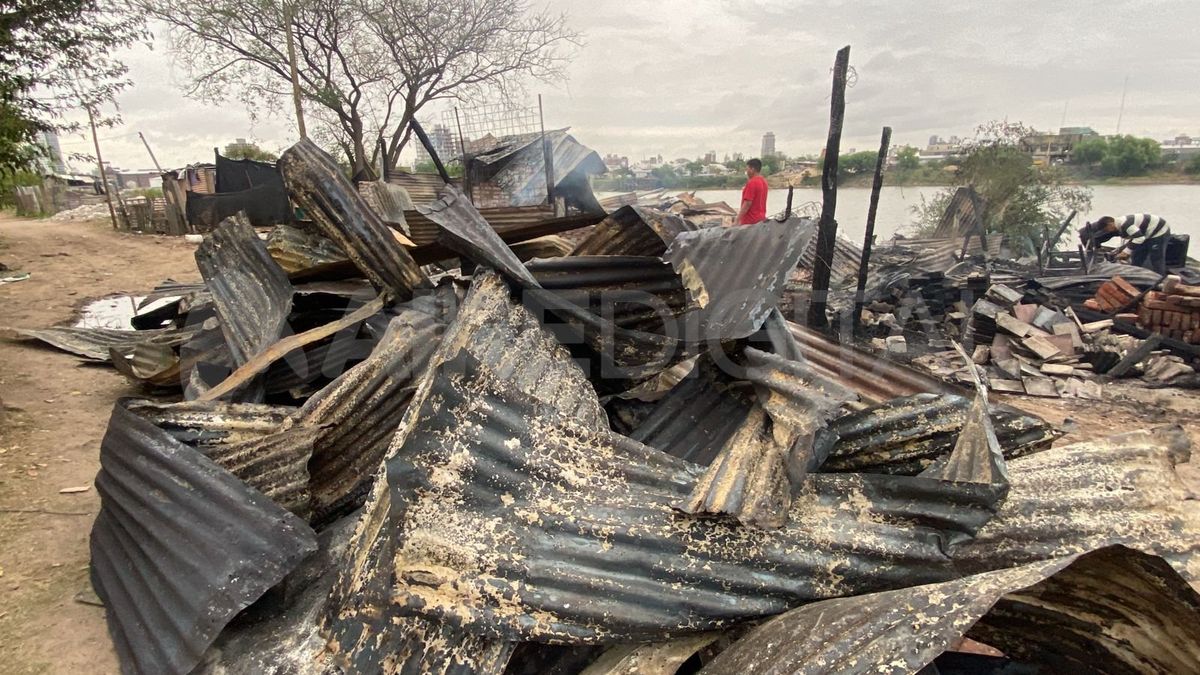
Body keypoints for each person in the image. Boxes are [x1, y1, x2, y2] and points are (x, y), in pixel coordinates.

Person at [1080, 214, 1171, 274]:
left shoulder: (1126, 224)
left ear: (1110, 223)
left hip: (1159, 231)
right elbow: (1137, 238)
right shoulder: (1119, 225)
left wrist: (1126, 252)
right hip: (1144, 234)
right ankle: (1138, 278)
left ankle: (1160, 281)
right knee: (1137, 257)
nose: (1107, 231)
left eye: (1107, 229)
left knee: (1156, 258)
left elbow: (1139, 238)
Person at [737, 158, 769, 225]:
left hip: (750, 222)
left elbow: (747, 204)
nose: (746, 172)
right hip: (761, 220)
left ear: (752, 169)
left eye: (747, 169)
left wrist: (737, 221)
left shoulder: (752, 182)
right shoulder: (764, 181)